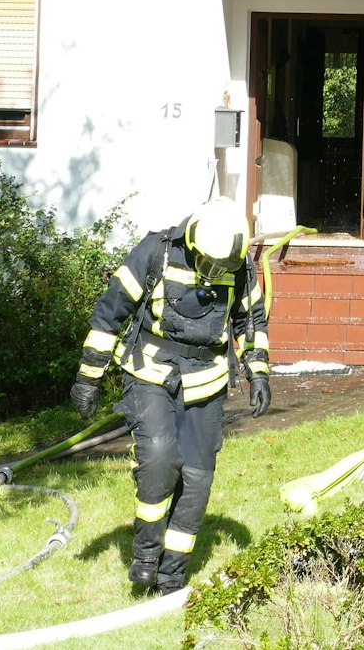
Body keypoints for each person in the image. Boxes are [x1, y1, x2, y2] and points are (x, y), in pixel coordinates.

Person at [69, 196, 271, 594]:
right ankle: (145, 554)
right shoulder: (155, 252)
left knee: (196, 480)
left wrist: (259, 373)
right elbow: (109, 314)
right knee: (160, 458)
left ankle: (172, 574)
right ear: (192, 242)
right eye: (208, 264)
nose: (214, 274)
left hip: (208, 381)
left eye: (222, 269)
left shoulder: (238, 264)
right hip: (151, 372)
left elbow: (251, 320)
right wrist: (88, 378)